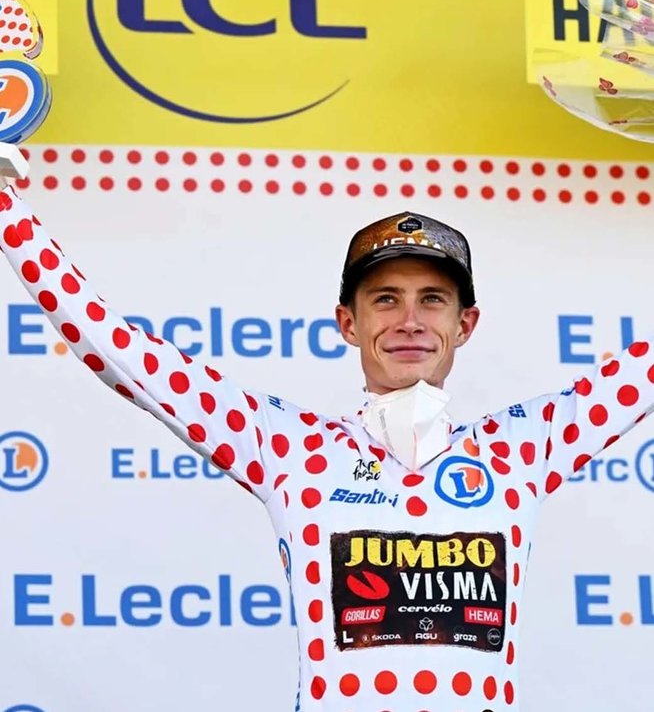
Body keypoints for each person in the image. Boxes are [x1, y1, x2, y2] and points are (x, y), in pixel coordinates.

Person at [1, 181, 652, 712]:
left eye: (432, 300)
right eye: (385, 299)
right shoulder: (289, 447)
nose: (409, 321)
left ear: (465, 324)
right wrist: (7, 209)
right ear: (348, 321)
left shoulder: (520, 450)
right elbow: (119, 350)